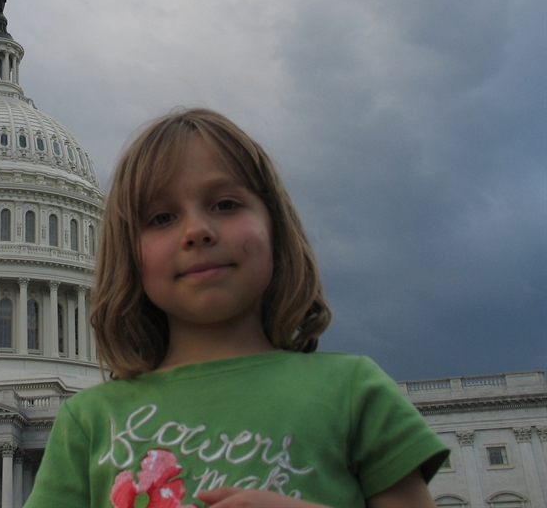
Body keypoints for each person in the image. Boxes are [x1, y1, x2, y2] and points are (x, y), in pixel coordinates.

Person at [25, 109, 447, 508]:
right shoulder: (86, 421)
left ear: (276, 228)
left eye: (225, 204)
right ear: (128, 256)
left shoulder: (355, 391)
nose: (197, 231)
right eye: (161, 217)